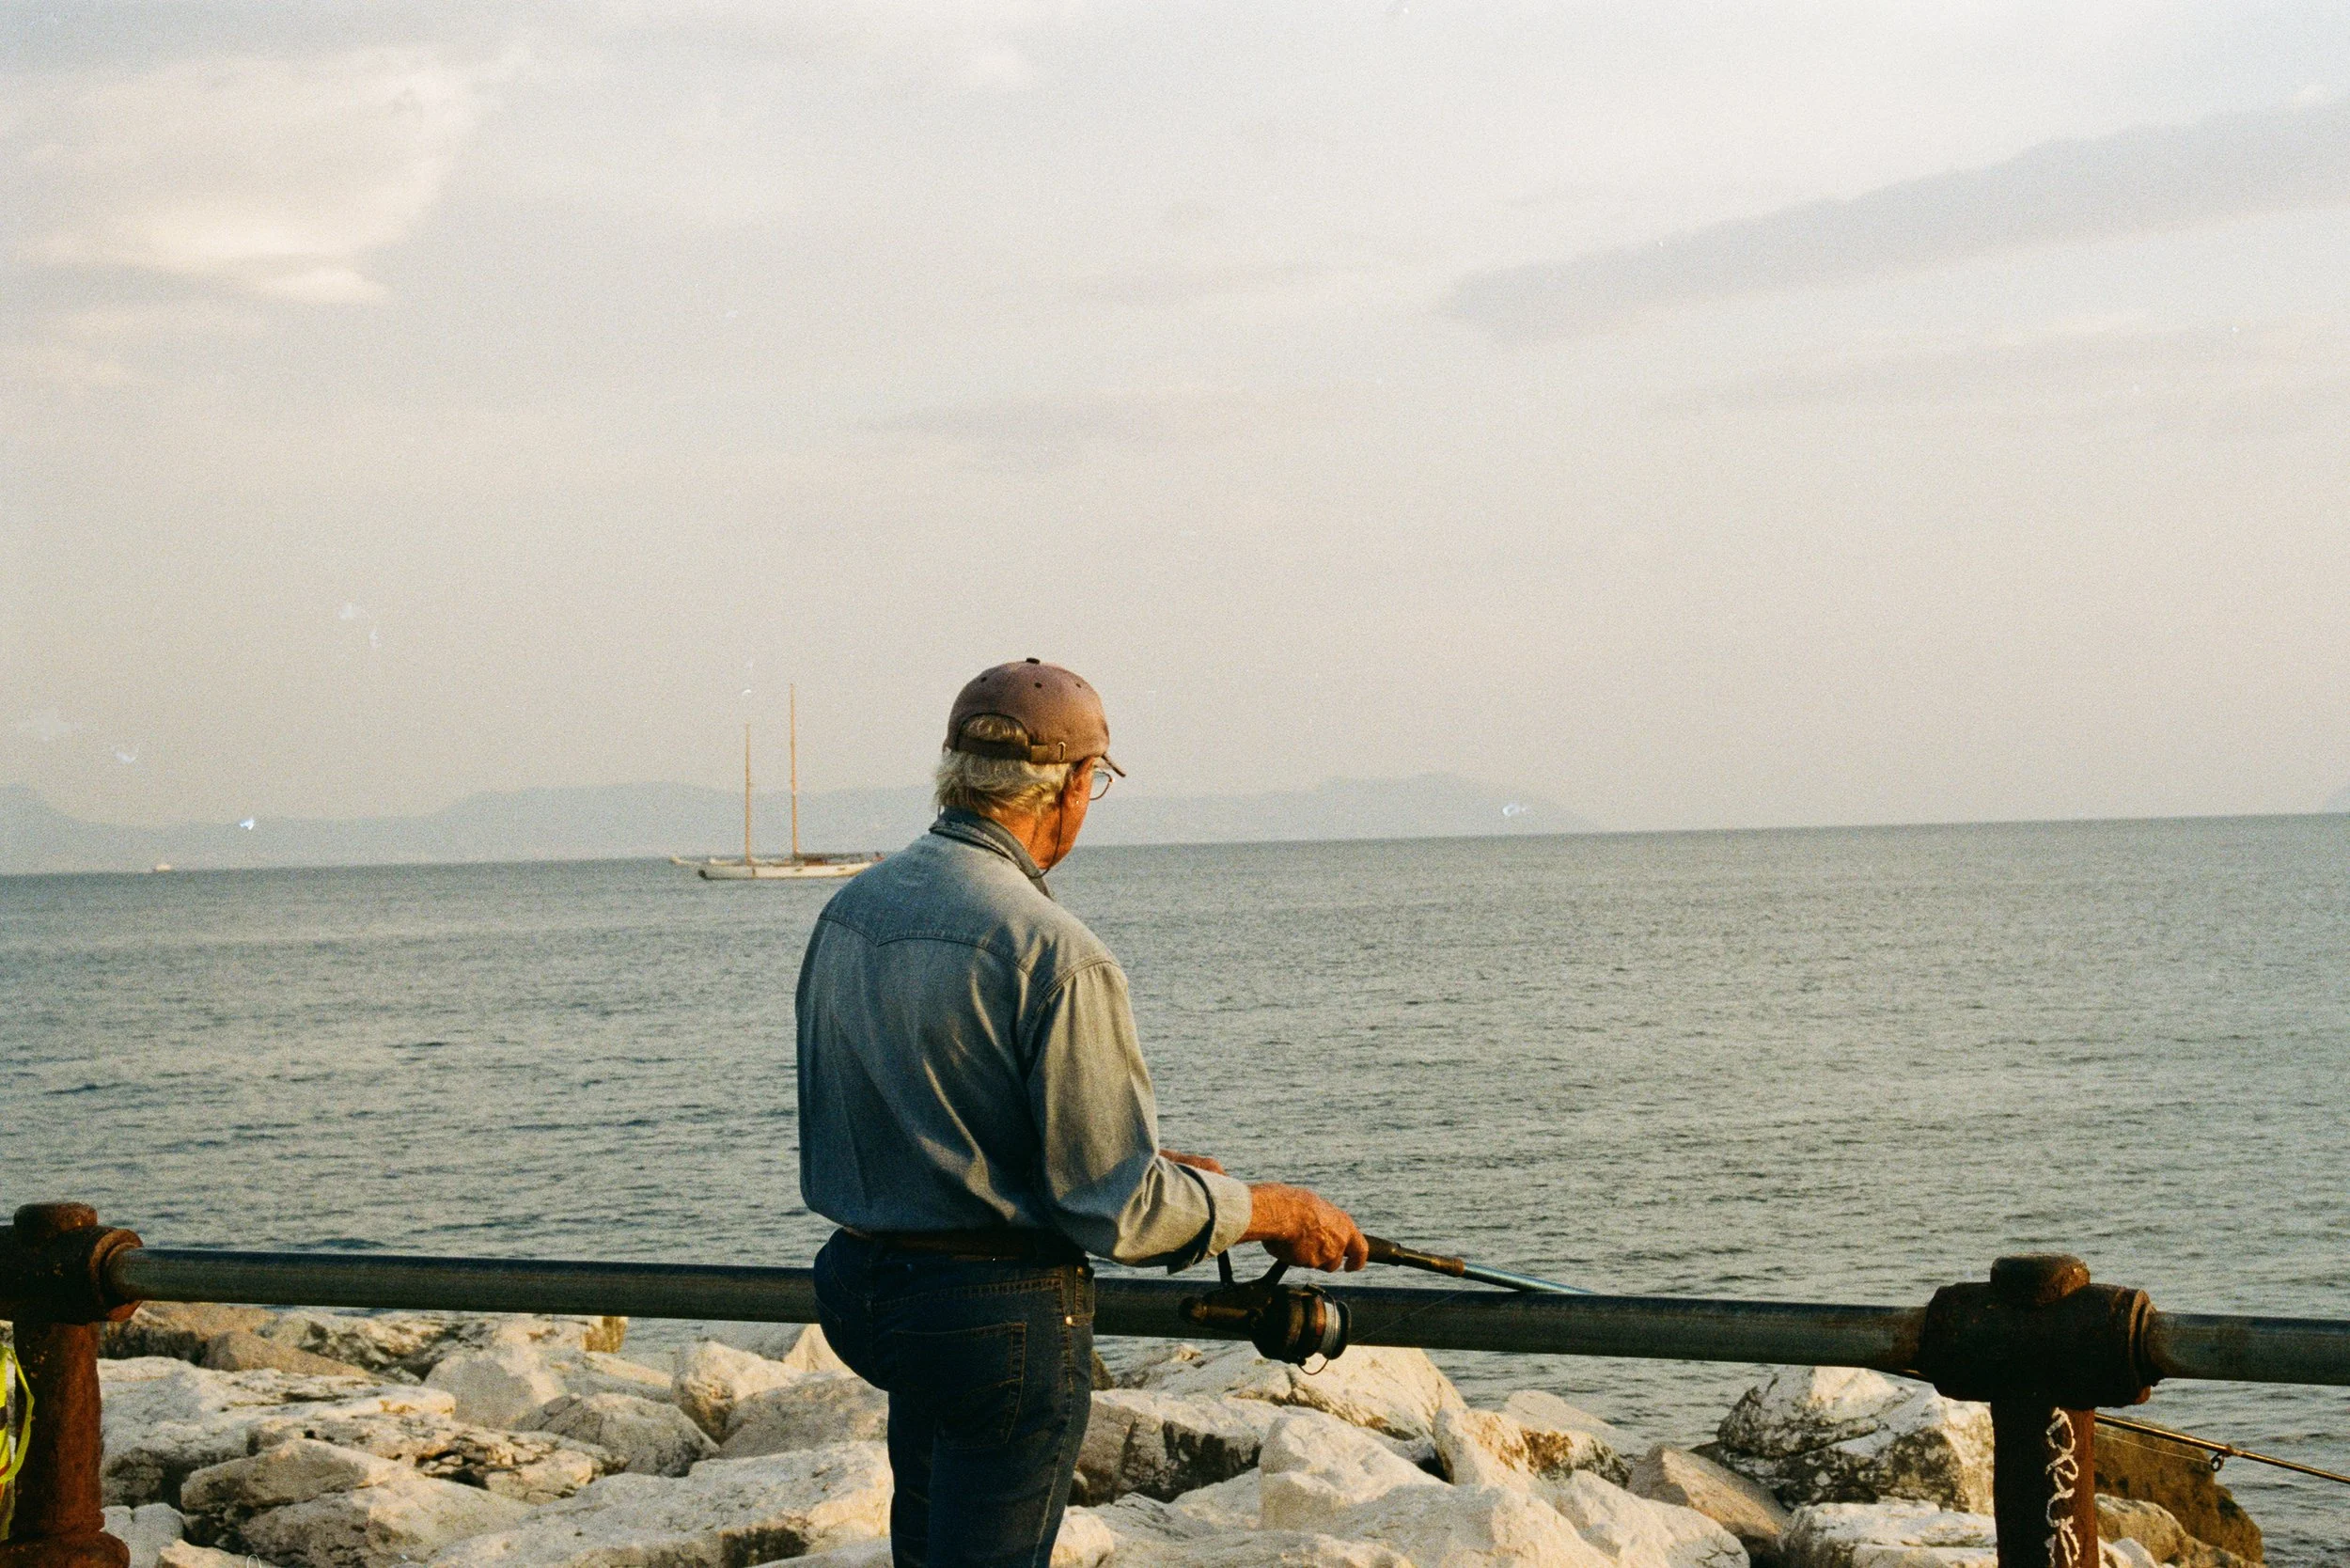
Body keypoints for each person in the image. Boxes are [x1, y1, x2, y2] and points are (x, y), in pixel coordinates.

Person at [798, 658, 1368, 1568]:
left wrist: (1140, 1160)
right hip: (994, 1327)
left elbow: (904, 1124)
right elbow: (1121, 1210)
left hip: (863, 1297)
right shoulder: (1055, 953)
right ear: (1066, 789)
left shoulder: (849, 914)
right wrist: (1277, 1211)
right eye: (1093, 784)